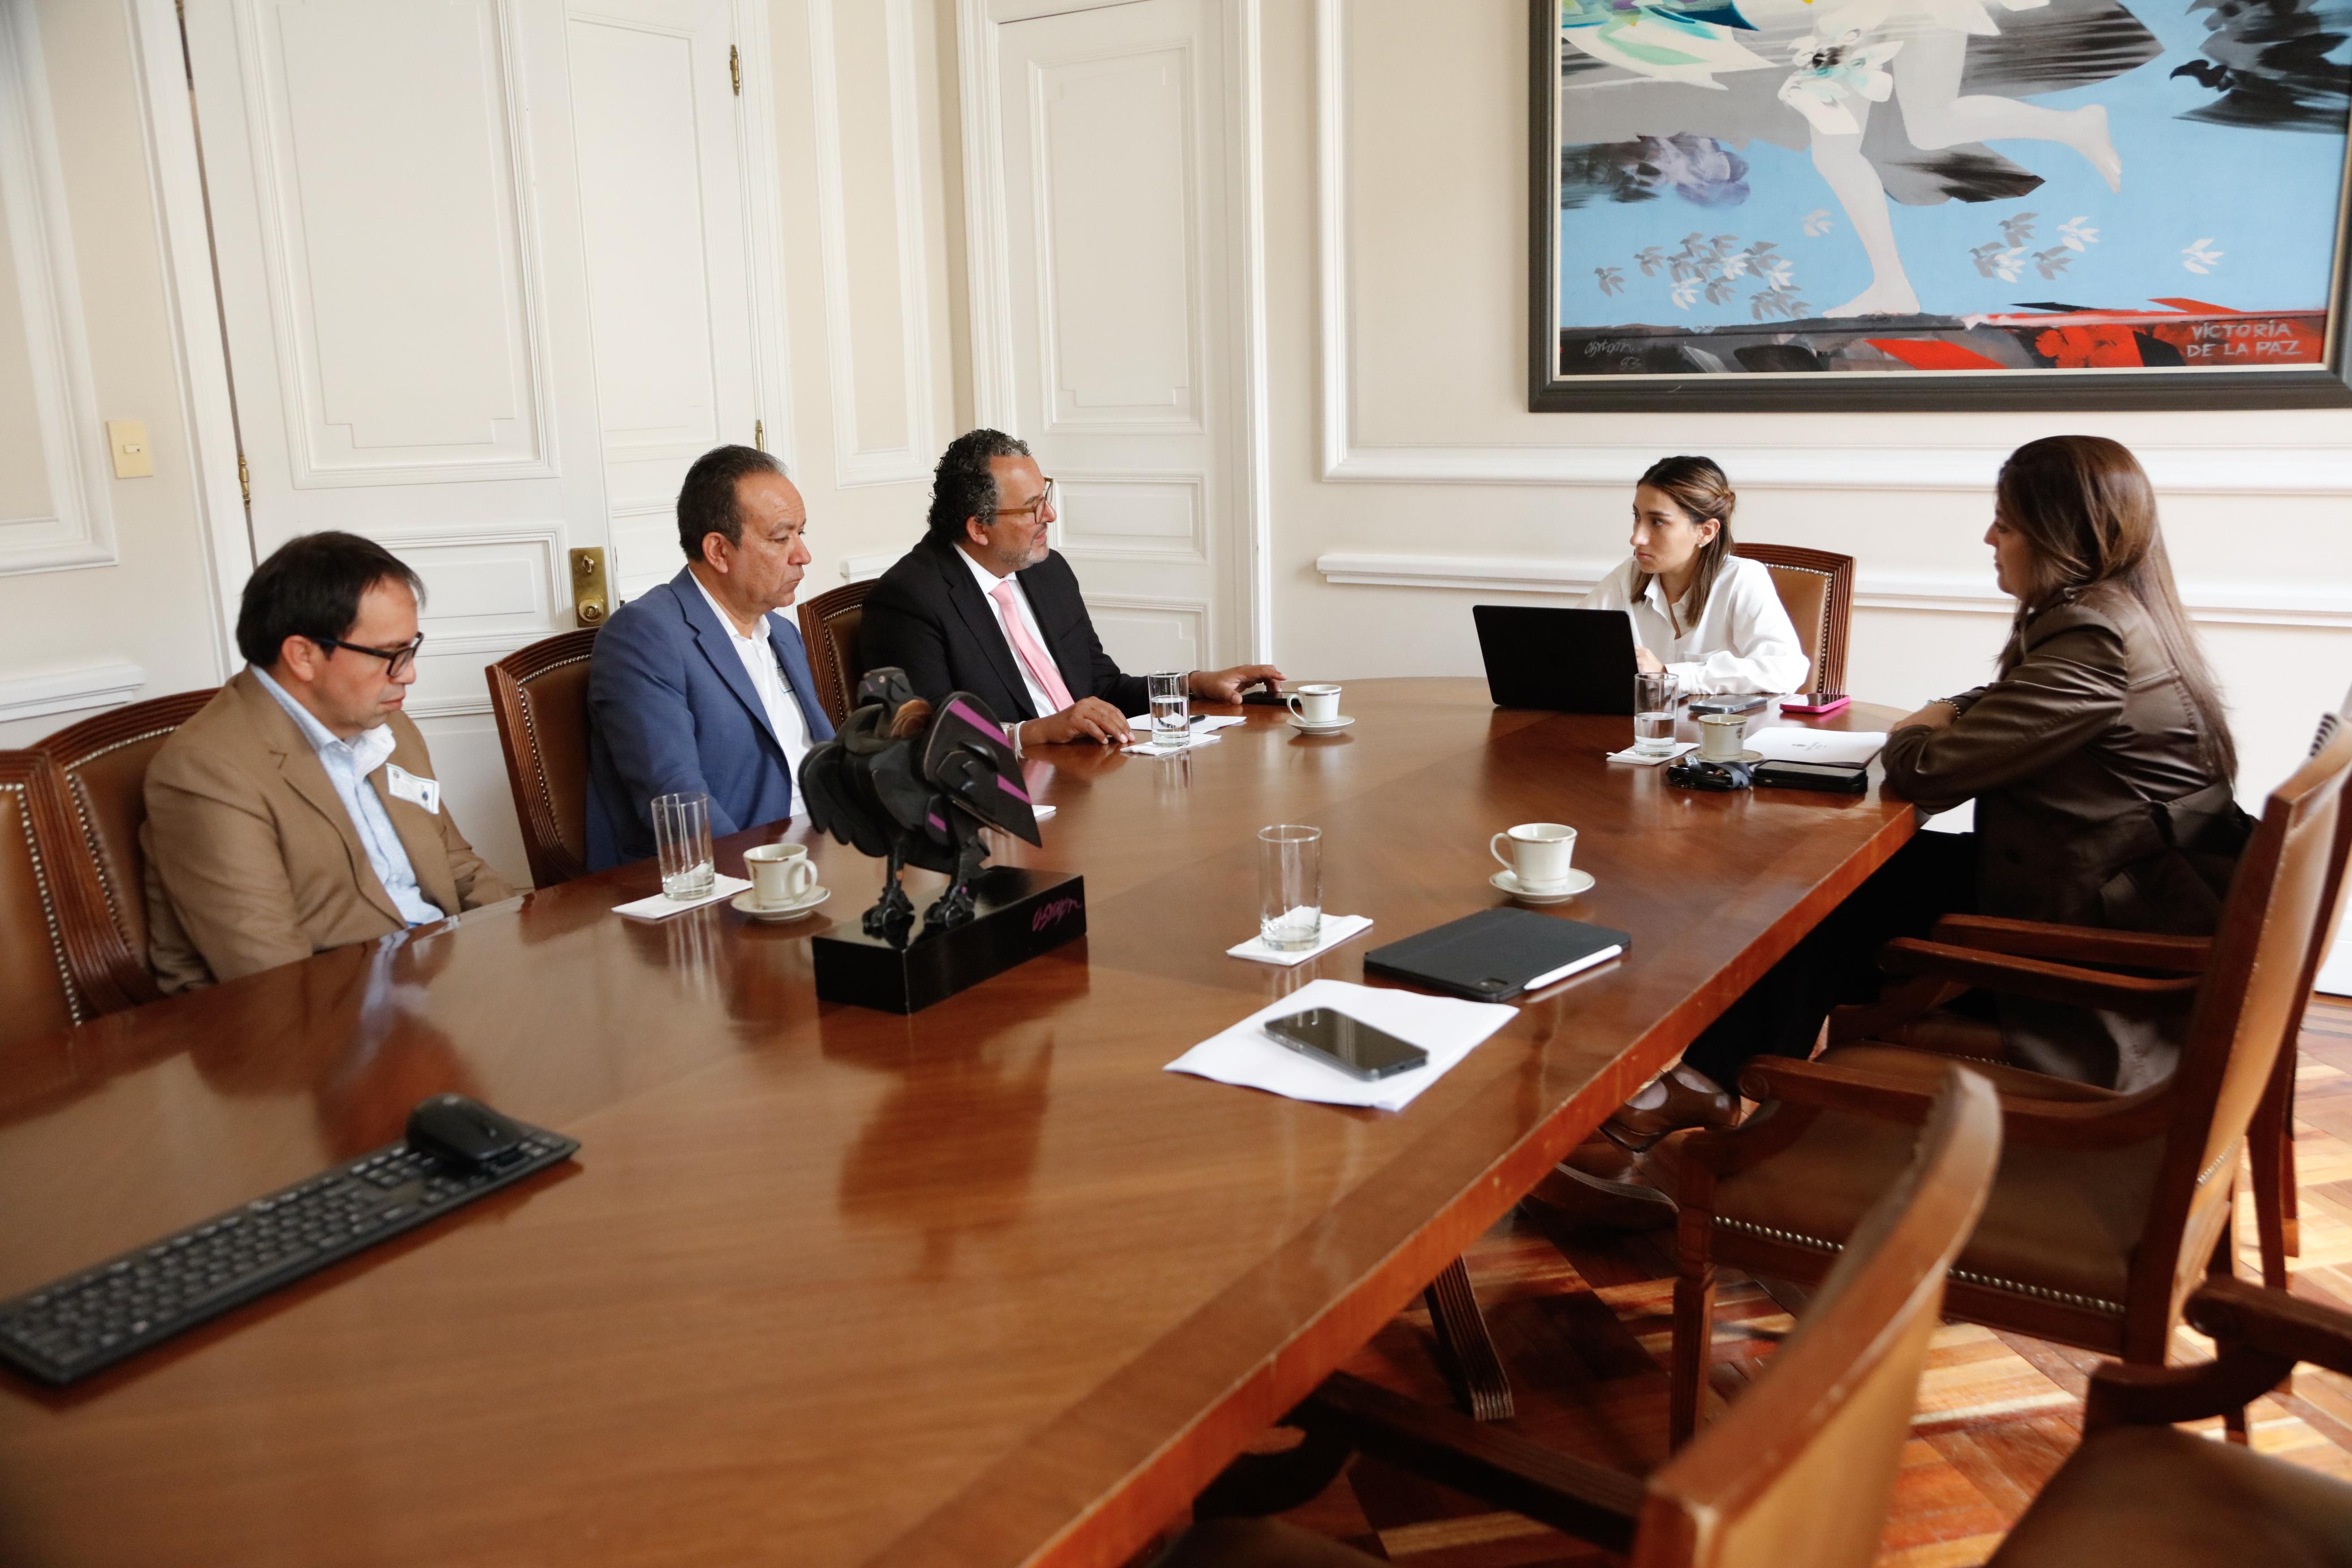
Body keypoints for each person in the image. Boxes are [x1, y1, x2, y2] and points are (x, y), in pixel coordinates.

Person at [1542, 435, 2247, 1228]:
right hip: (2108, 878)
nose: (1989, 540)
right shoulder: (2108, 615)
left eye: (2004, 525)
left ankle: (1700, 1090)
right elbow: (1996, 699)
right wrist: (1952, 711)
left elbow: (1924, 769)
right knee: (1825, 892)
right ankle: (1702, 1085)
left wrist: (1924, 720)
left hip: (2103, 922)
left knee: (1818, 898)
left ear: (2060, 535)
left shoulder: (2097, 641)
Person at [143, 532, 514, 994]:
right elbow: (271, 975)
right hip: (326, 1017)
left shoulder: (389, 727)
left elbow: (456, 866)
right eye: (390, 655)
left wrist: (526, 947)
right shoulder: (208, 770)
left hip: (434, 981)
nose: (409, 673)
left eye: (411, 648)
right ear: (303, 655)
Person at [860, 429, 1283, 750]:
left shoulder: (1047, 572)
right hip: (1013, 800)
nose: (1051, 514)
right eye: (1032, 507)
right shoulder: (911, 599)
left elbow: (1102, 686)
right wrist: (1035, 732)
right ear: (978, 528)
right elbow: (925, 736)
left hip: (1090, 771)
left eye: (1044, 494)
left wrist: (1193, 684)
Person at [585, 445, 835, 872]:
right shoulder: (645, 636)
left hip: (819, 849)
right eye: (781, 538)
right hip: (733, 873)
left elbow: (823, 759)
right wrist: (770, 877)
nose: (802, 556)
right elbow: (674, 797)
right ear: (719, 551)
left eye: (801, 534)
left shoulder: (784, 634)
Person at [1580, 455, 1809, 696]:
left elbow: (1786, 671)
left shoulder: (1742, 578)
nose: (1636, 538)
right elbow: (1567, 642)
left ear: (1706, 531)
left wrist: (1669, 674)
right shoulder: (1628, 575)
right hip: (1644, 729)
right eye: (1637, 517)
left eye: (1657, 522)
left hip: (1725, 731)